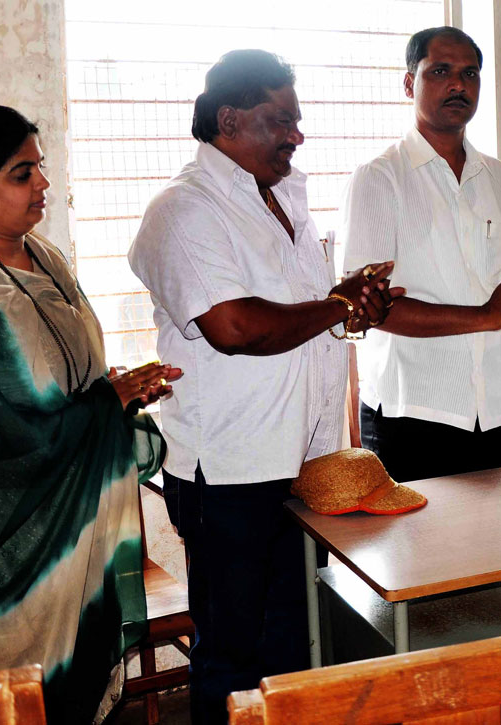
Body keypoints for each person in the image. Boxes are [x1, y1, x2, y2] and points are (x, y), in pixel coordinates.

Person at [0, 103, 177, 725]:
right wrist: (104, 406)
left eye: (39, 167)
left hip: (66, 523)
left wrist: (113, 394)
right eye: (22, 174)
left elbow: (62, 380)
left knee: (70, 690)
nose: (43, 183)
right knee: (4, 703)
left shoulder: (41, 255)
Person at [128, 50, 396, 724]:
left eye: (296, 122)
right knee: (234, 656)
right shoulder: (183, 210)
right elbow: (235, 325)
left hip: (301, 464)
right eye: (281, 120)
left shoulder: (281, 199)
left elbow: (303, 315)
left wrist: (350, 301)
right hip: (231, 475)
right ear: (229, 118)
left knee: (294, 644)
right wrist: (338, 305)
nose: (296, 135)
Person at [340, 26, 501, 483]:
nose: (459, 85)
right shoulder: (379, 179)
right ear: (410, 83)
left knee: (490, 553)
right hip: (409, 415)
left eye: (470, 74)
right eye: (440, 71)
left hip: (487, 411)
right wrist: (487, 315)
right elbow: (367, 310)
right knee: (415, 555)